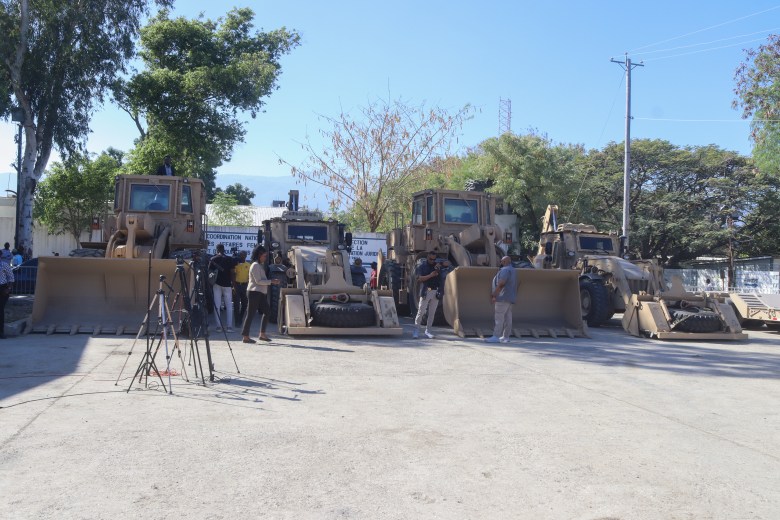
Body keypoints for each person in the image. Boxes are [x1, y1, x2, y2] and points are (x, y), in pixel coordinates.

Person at [241, 245, 280, 343]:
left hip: (260, 292)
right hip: (254, 292)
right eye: (264, 256)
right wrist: (271, 281)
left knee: (267, 312)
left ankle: (262, 334)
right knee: (250, 314)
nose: (265, 258)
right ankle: (245, 336)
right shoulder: (255, 265)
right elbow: (258, 281)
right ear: (259, 255)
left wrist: (270, 281)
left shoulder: (258, 265)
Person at [486, 256, 517, 344]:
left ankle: (496, 336)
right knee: (508, 318)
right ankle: (506, 337)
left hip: (502, 297)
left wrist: (494, 295)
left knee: (499, 317)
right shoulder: (513, 270)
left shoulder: (504, 270)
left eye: (501, 261)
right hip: (510, 298)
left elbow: (501, 284)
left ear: (503, 262)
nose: (500, 262)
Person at [412, 251, 441, 339]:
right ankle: (416, 330)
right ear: (427, 257)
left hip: (435, 291)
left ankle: (428, 331)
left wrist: (440, 267)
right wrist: (431, 275)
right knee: (421, 312)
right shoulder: (422, 266)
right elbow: (420, 279)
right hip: (426, 290)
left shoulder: (436, 266)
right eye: (431, 259)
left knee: (432, 313)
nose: (432, 261)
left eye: (434, 259)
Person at [208, 243, 236, 332]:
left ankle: (219, 327)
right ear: (224, 250)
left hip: (216, 284)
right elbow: (232, 272)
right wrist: (233, 285)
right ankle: (229, 327)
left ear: (216, 250)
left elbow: (209, 273)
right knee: (229, 306)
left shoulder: (213, 259)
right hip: (227, 285)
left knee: (217, 305)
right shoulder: (229, 259)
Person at [233, 251, 249, 326]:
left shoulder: (248, 265)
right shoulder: (236, 265)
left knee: (245, 304)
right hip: (237, 285)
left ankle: (240, 317)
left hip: (245, 286)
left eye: (244, 255)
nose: (242, 256)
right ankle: (237, 321)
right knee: (236, 304)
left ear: (246, 256)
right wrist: (234, 286)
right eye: (241, 255)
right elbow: (233, 275)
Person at [0, 255, 14, 339]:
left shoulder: (4, 265)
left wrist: (8, 289)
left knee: (0, 310)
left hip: (2, 288)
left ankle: (1, 332)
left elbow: (11, 277)